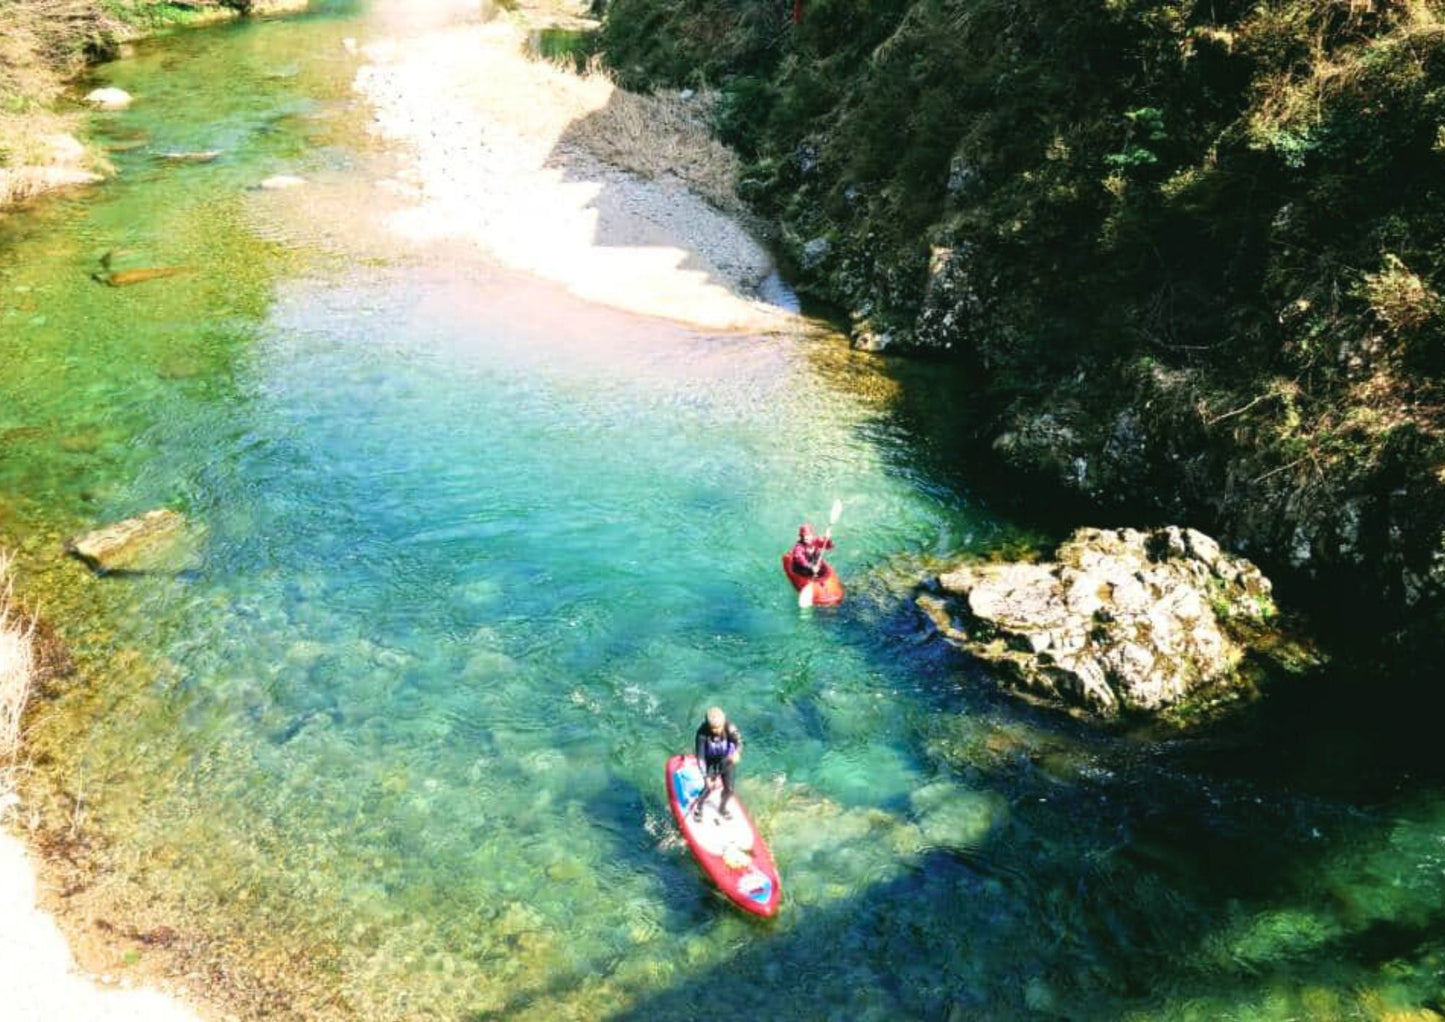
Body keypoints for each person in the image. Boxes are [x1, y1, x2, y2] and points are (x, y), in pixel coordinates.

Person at [693, 706, 743, 821]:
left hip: (727, 760)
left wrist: (737, 753)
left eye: (718, 727)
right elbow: (700, 757)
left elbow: (739, 742)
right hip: (711, 762)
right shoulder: (702, 733)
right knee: (708, 787)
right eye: (713, 728)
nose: (716, 731)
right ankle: (699, 807)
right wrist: (706, 777)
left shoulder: (730, 727)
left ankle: (722, 808)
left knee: (729, 789)